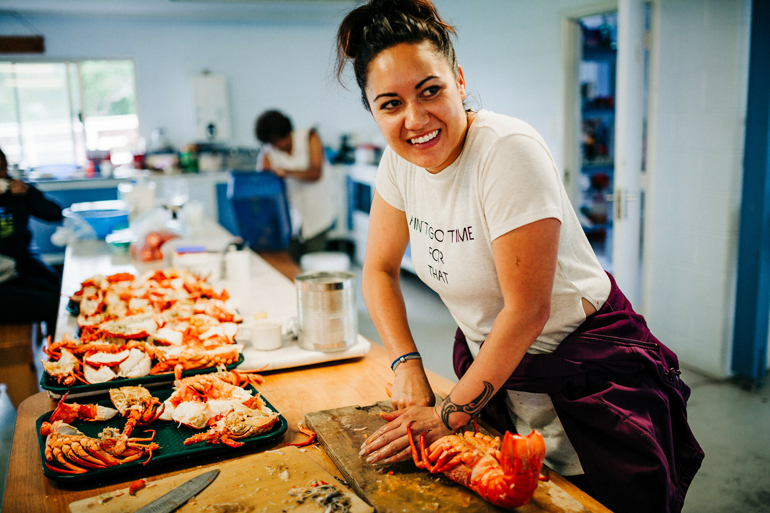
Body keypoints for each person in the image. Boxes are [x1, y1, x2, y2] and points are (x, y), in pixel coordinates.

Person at [335, 2, 703, 512]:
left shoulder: (507, 151)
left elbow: (528, 310)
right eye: (390, 104)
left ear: (459, 81)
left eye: (430, 90)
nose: (415, 119)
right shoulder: (399, 165)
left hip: (588, 378)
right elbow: (378, 268)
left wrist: (448, 414)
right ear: (373, 112)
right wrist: (405, 362)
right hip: (500, 379)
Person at [255, 110, 336, 262]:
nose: (276, 146)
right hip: (288, 222)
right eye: (271, 143)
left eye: (277, 141)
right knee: (291, 267)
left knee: (315, 267)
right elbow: (263, 190)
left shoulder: (310, 137)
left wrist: (286, 172)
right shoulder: (267, 153)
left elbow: (315, 173)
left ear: (287, 133)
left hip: (318, 216)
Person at [0, 148, 63, 338]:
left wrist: (28, 194)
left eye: (2, 168)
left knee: (56, 287)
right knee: (50, 301)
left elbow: (54, 213)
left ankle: (55, 338)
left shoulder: (17, 190)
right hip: (4, 274)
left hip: (20, 259)